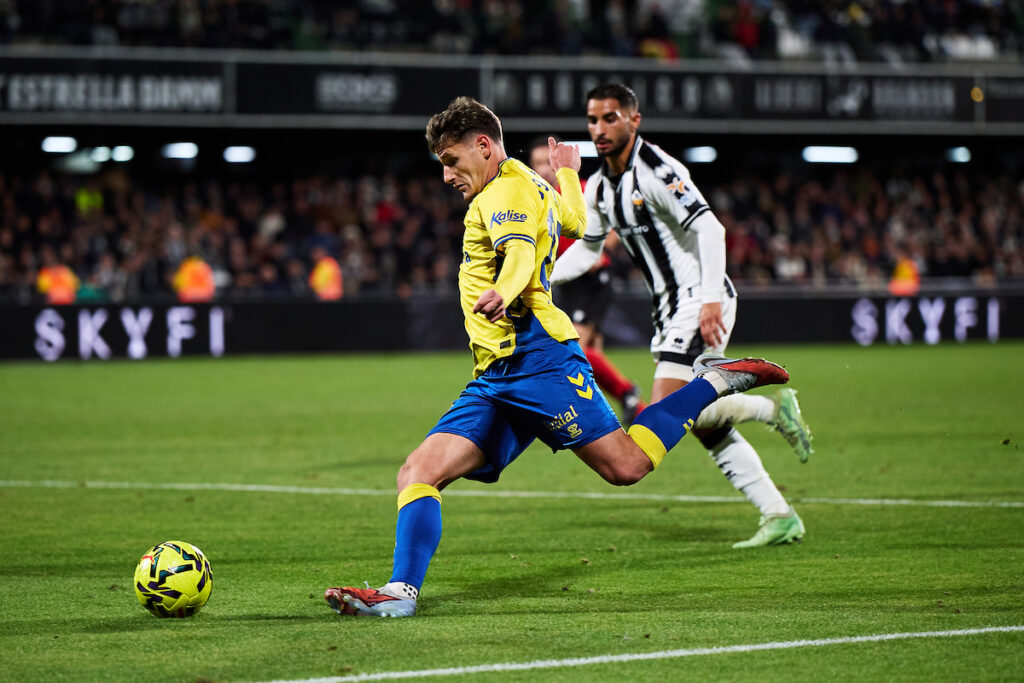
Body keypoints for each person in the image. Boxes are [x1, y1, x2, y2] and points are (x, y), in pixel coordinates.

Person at [323, 96, 792, 618]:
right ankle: (399, 595)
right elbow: (573, 221)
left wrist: (504, 288)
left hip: (539, 360)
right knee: (418, 471)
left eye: (451, 161)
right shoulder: (529, 179)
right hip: (497, 373)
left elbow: (521, 249)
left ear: (483, 145)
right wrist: (569, 174)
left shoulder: (499, 194)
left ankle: (714, 383)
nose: (446, 175)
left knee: (626, 467)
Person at [552, 83, 813, 549]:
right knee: (702, 422)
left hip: (698, 298)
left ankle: (772, 411)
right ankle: (779, 511)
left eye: (610, 118)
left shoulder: (657, 168)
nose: (599, 129)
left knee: (664, 411)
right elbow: (589, 249)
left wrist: (711, 297)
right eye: (593, 120)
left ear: (634, 120)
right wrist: (542, 275)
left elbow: (711, 227)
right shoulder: (599, 186)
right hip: (671, 307)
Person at [527, 136, 647, 422]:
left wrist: (599, 249)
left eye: (549, 162)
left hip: (592, 280)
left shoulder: (580, 191)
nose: (544, 169)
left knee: (574, 348)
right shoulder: (534, 198)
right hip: (565, 281)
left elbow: (617, 224)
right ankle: (625, 409)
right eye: (538, 163)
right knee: (588, 354)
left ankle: (627, 392)